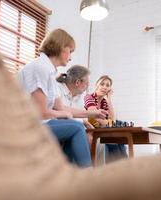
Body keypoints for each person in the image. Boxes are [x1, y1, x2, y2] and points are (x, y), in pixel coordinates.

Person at [18, 29, 107, 168]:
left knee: (76, 127)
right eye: (70, 51)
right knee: (77, 127)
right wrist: (66, 115)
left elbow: (61, 107)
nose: (70, 57)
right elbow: (41, 113)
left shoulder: (50, 73)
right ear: (60, 47)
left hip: (41, 123)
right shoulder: (40, 68)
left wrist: (92, 113)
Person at [56, 65, 107, 165]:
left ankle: (99, 177)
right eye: (87, 83)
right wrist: (85, 120)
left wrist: (87, 125)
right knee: (87, 139)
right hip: (59, 127)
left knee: (99, 143)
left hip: (75, 128)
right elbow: (60, 112)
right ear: (78, 82)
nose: (88, 86)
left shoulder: (80, 96)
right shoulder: (57, 89)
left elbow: (83, 117)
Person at [84, 75, 127, 163]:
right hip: (91, 128)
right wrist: (106, 122)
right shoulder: (89, 97)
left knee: (119, 141)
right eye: (102, 84)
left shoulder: (104, 102)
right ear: (97, 85)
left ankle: (124, 168)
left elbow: (112, 119)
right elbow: (93, 118)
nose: (104, 87)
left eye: (107, 85)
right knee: (115, 135)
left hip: (102, 129)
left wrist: (109, 99)